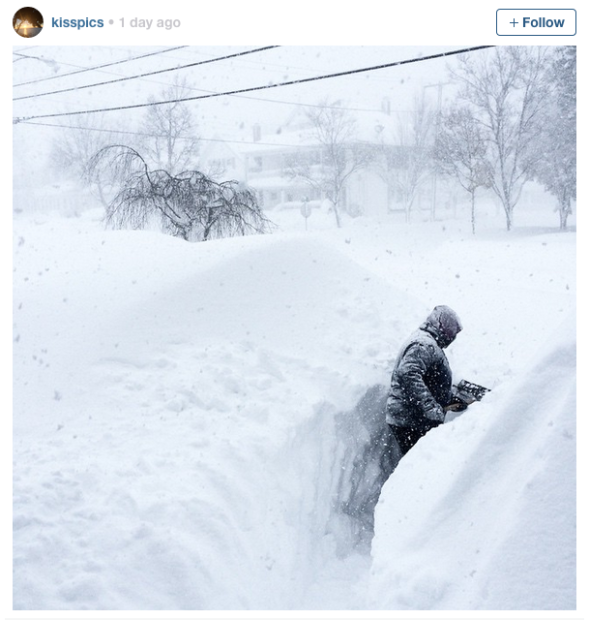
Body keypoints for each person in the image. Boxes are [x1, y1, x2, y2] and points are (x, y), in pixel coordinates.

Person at [385, 305, 464, 457]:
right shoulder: (424, 344)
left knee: (416, 464)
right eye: (450, 332)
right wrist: (430, 408)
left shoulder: (427, 342)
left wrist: (447, 401)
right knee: (417, 466)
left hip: (413, 418)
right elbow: (408, 374)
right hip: (412, 420)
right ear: (441, 325)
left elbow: (429, 378)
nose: (452, 338)